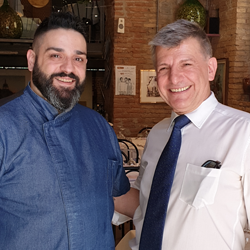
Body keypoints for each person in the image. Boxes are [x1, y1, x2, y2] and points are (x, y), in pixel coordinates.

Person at [114, 19, 250, 250]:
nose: (174, 78)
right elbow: (147, 204)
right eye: (163, 68)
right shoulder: (158, 135)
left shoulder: (244, 132)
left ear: (210, 69)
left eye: (186, 64)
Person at [0, 12, 130, 250]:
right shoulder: (4, 127)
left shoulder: (99, 126)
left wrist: (175, 210)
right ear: (31, 60)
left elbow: (118, 195)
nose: (68, 68)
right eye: (56, 55)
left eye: (78, 59)